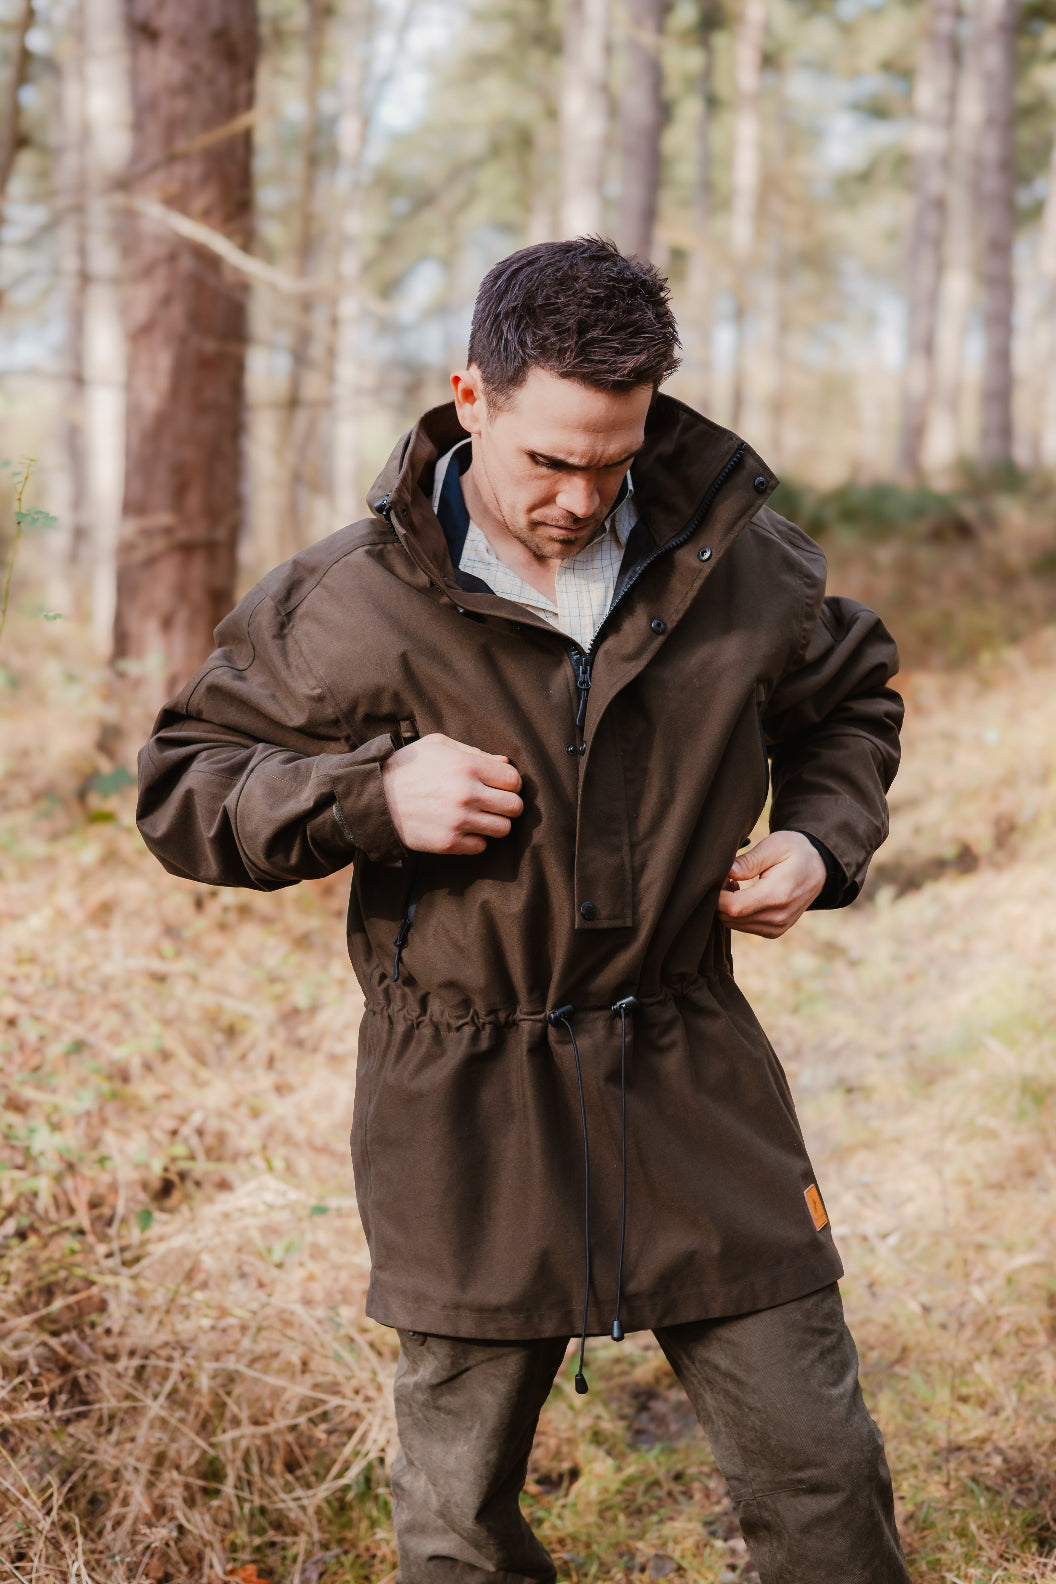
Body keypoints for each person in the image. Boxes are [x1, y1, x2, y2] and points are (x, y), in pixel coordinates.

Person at [137, 237, 909, 1584]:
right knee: (457, 1524)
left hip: (692, 1072)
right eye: (549, 459)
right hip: (462, 1104)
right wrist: (374, 796)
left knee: (822, 1477)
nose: (580, 497)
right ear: (471, 396)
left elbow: (845, 696)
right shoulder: (346, 604)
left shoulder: (737, 560)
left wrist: (819, 840)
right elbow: (183, 789)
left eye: (613, 460)